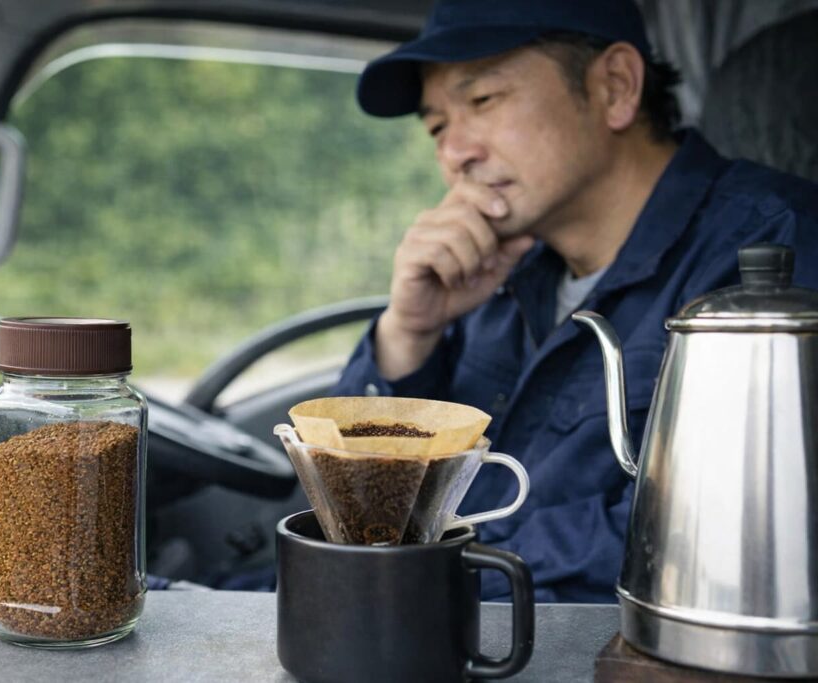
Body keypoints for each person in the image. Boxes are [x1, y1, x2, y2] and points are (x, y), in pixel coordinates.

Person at [333, 0, 818, 602]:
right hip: (402, 615)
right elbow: (351, 506)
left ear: (615, 87)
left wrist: (437, 566)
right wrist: (408, 334)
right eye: (436, 128)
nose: (454, 153)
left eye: (482, 101)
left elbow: (709, 534)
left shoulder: (777, 250)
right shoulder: (487, 277)